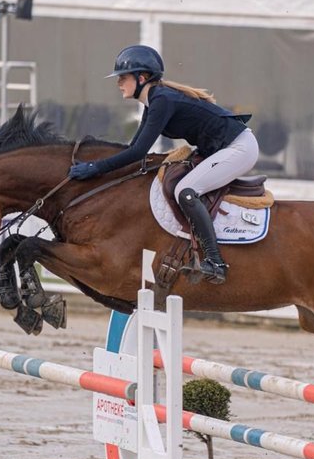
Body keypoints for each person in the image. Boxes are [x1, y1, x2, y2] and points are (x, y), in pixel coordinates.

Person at [68, 45, 258, 284]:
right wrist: (98, 167)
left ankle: (216, 262)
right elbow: (132, 149)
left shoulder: (162, 101)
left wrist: (95, 168)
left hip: (239, 148)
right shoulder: (154, 102)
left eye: (123, 78)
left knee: (186, 192)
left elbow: (138, 152)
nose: (118, 83)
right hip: (223, 148)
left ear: (142, 78)